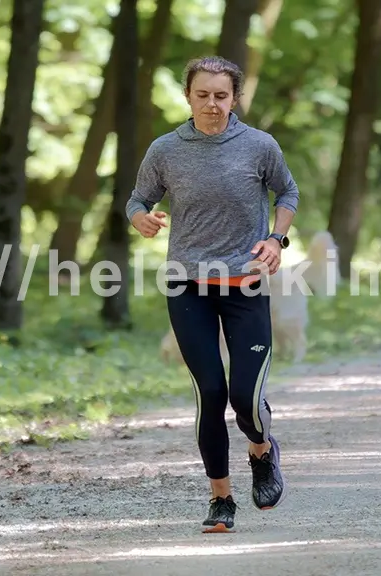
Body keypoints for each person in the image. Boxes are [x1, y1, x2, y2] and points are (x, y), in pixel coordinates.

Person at [125, 55, 300, 533]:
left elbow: (287, 194)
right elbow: (139, 199)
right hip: (187, 286)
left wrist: (276, 239)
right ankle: (221, 498)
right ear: (188, 96)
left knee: (246, 398)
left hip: (244, 285)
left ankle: (263, 453)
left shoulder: (259, 146)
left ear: (235, 97)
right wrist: (139, 216)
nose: (211, 104)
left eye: (221, 95)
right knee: (211, 392)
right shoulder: (165, 149)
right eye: (202, 95)